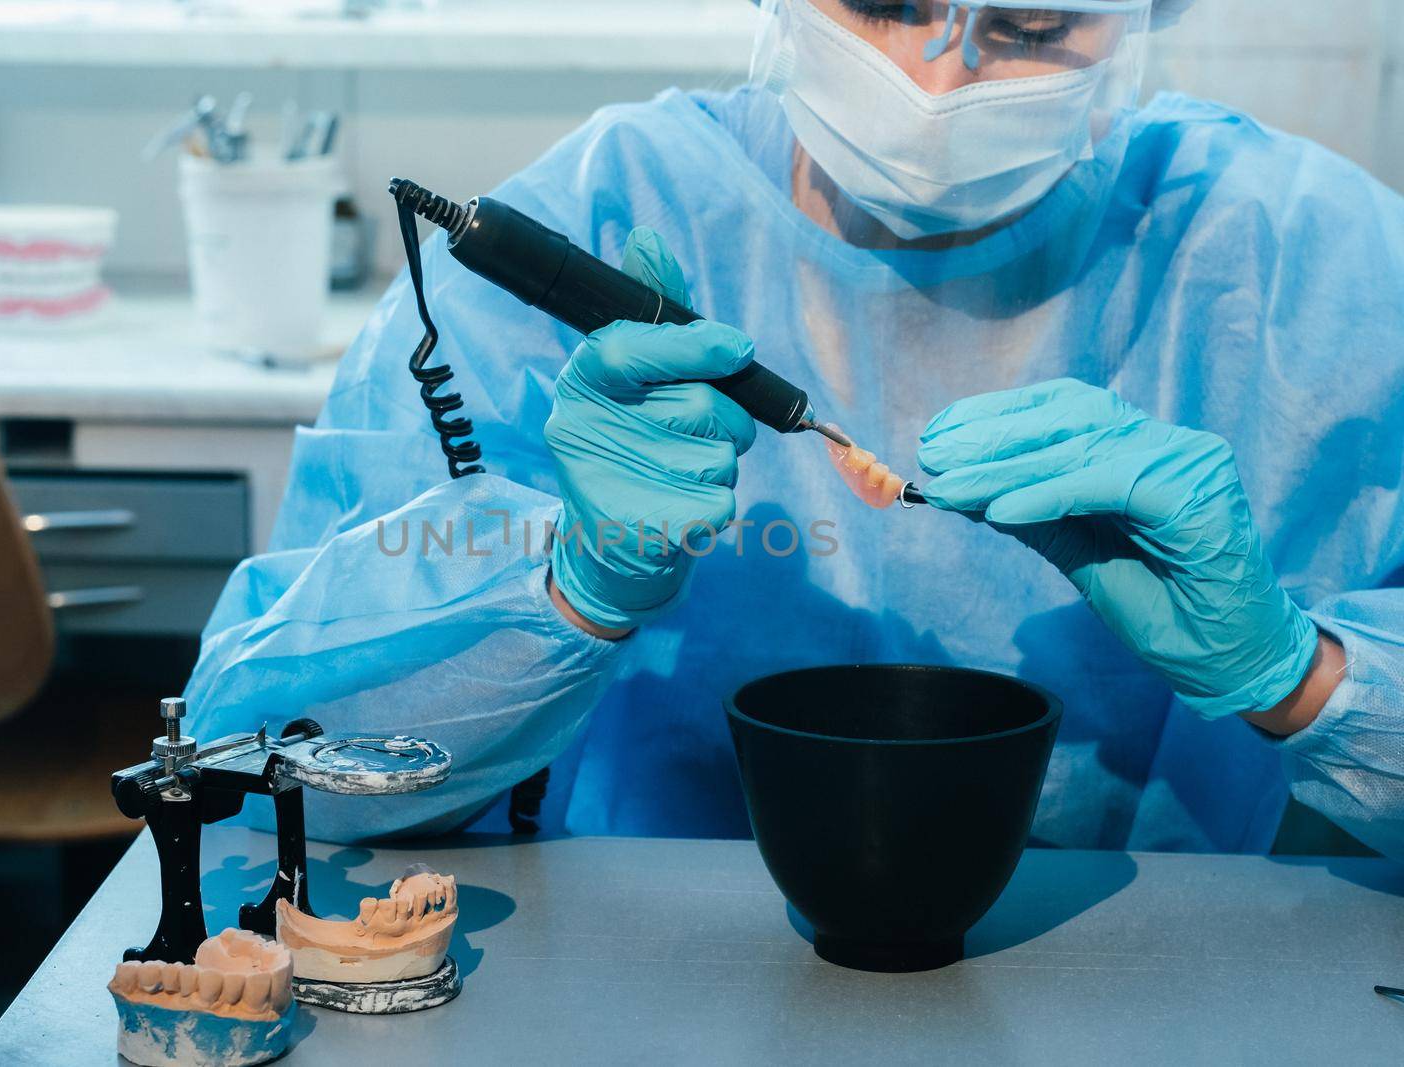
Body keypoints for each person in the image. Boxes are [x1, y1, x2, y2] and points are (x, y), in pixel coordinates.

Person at [185, 0, 1404, 858]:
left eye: (1030, 28)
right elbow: (264, 769)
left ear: (1141, 17)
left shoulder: (1311, 266)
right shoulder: (603, 218)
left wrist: (1299, 676)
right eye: (877, 1)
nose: (938, 80)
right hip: (641, 979)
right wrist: (565, 587)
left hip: (1153, 982)